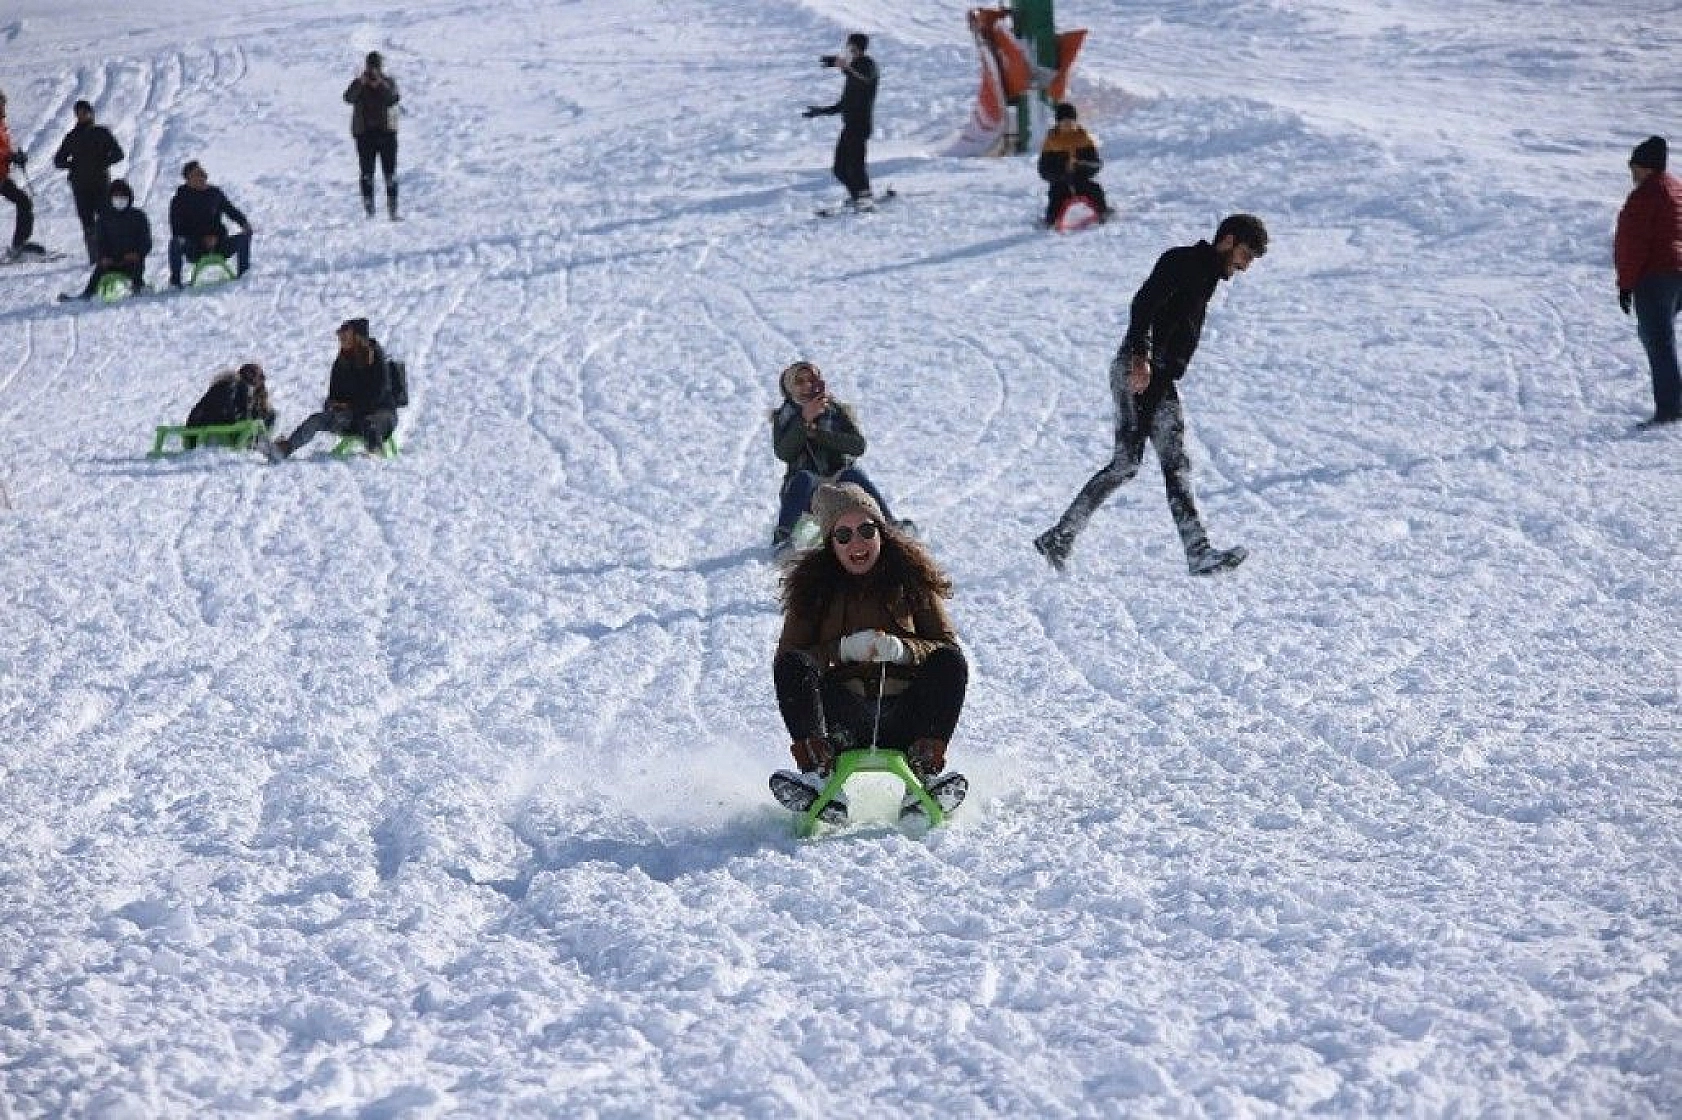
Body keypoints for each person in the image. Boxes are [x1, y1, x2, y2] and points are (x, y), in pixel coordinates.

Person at [1034, 213, 1269, 576]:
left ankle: (1198, 553)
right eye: (1246, 255)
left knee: (1176, 464)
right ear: (1228, 239)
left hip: (1160, 381)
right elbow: (1143, 304)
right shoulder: (1183, 261)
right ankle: (1059, 537)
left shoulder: (1207, 276)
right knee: (1125, 465)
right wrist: (1139, 356)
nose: (1246, 266)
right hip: (1137, 373)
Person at [770, 482, 968, 825]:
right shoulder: (811, 589)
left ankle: (924, 771)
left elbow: (945, 645)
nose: (857, 543)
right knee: (792, 666)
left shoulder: (912, 579)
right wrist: (842, 651)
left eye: (865, 530)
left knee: (950, 663)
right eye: (843, 536)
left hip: (906, 714)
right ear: (830, 544)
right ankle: (819, 773)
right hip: (842, 718)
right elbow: (791, 656)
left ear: (881, 531)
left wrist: (904, 651)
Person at [770, 360, 899, 554]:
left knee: (854, 474)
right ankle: (783, 537)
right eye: (800, 382)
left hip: (837, 475)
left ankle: (890, 525)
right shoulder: (784, 416)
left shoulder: (835, 410)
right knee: (803, 479)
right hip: (808, 485)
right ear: (790, 387)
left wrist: (819, 435)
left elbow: (857, 446)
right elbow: (784, 452)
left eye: (811, 380)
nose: (807, 386)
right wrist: (803, 421)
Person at [1614, 135, 1682, 427]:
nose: (1632, 174)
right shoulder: (1676, 189)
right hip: (1677, 273)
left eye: (1635, 168)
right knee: (1655, 336)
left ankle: (1670, 409)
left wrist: (1626, 285)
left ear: (1646, 167)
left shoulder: (1645, 196)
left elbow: (1632, 244)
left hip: (1654, 277)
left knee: (1659, 342)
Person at [265, 318, 397, 460]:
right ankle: (285, 449)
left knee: (370, 423)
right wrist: (333, 405)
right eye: (340, 337)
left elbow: (378, 394)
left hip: (381, 415)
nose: (341, 340)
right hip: (350, 417)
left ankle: (375, 453)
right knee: (316, 420)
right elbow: (334, 393)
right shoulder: (341, 362)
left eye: (345, 336)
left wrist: (351, 406)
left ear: (357, 338)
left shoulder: (376, 359)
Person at [802, 32, 879, 211]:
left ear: (856, 47)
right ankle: (857, 197)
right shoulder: (854, 69)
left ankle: (865, 198)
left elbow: (865, 80)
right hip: (850, 125)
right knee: (839, 169)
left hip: (861, 125)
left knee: (856, 164)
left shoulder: (869, 64)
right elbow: (844, 103)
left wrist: (845, 67)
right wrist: (821, 111)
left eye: (850, 45)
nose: (847, 48)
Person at [51, 99, 124, 264]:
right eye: (79, 113)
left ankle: (112, 254)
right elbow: (58, 160)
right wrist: (73, 165)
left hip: (101, 183)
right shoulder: (72, 136)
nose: (82, 115)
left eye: (85, 112)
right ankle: (95, 258)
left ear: (91, 113)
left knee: (106, 220)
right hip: (80, 185)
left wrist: (104, 161)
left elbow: (119, 154)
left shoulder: (102, 133)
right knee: (88, 223)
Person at [167, 161, 252, 288]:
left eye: (202, 173)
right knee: (175, 242)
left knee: (244, 237)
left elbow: (230, 210)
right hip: (195, 248)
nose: (201, 177)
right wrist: (201, 240)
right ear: (188, 180)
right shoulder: (179, 199)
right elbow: (177, 229)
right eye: (196, 174)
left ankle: (243, 276)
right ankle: (175, 282)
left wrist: (244, 223)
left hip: (218, 244)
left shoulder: (215, 194)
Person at [65, 179, 150, 300]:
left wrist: (138, 253)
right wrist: (103, 257)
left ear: (128, 197)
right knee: (99, 271)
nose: (119, 199)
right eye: (116, 196)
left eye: (122, 196)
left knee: (135, 269)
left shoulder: (138, 216)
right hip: (112, 260)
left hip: (132, 260)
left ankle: (138, 288)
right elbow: (100, 242)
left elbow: (145, 240)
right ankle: (87, 295)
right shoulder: (104, 218)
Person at [344, 51, 401, 220]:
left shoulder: (388, 82)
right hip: (365, 135)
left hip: (387, 134)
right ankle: (370, 212)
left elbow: (393, 98)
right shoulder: (359, 83)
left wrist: (380, 84)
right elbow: (348, 97)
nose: (373, 70)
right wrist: (361, 83)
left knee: (390, 174)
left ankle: (393, 211)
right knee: (366, 174)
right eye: (371, 66)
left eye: (376, 66)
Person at [1038, 102, 1110, 228]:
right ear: (1058, 123)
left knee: (1095, 190)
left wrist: (1084, 166)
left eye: (1071, 121)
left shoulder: (1083, 139)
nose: (1068, 124)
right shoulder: (1051, 142)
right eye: (1064, 121)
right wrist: (1058, 174)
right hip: (1060, 182)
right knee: (1055, 196)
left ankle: (1103, 214)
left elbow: (1096, 164)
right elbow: (1044, 169)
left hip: (1081, 179)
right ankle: (1051, 222)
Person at [181, 363, 276, 450]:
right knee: (265, 419)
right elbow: (232, 416)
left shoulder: (225, 385)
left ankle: (265, 446)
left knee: (267, 416)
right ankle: (266, 448)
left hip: (194, 436)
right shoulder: (236, 387)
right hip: (214, 436)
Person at [0, 89, 45, 261]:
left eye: (4, 103)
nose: (4, 107)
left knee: (24, 201)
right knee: (23, 201)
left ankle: (19, 244)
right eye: (2, 103)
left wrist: (15, 156)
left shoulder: (3, 125)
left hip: (2, 175)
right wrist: (10, 156)